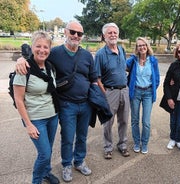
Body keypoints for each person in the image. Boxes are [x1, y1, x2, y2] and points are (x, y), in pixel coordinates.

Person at [16, 21, 97, 182]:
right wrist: (21, 59)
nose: (76, 36)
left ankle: (79, 161)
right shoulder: (55, 52)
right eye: (72, 32)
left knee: (82, 136)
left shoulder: (87, 55)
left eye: (79, 34)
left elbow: (93, 78)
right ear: (66, 32)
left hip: (84, 104)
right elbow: (37, 55)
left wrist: (96, 98)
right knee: (67, 137)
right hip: (66, 105)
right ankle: (66, 164)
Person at [13, 31, 60, 184]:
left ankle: (46, 173)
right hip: (35, 119)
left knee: (49, 150)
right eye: (38, 46)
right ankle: (37, 180)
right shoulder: (23, 69)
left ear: (50, 49)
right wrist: (28, 125)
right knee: (44, 154)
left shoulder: (49, 66)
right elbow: (19, 100)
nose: (42, 50)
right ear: (32, 47)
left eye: (45, 47)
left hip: (52, 115)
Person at [94, 22, 130, 159]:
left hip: (124, 91)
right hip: (110, 92)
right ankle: (108, 147)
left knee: (124, 121)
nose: (113, 35)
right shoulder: (100, 54)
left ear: (118, 34)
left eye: (115, 32)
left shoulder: (121, 50)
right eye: (110, 33)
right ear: (104, 36)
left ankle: (122, 145)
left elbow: (124, 68)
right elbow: (97, 78)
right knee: (108, 122)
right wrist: (104, 94)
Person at [126, 37, 160, 154]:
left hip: (148, 93)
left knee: (146, 121)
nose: (142, 47)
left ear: (147, 46)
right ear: (137, 48)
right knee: (135, 120)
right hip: (135, 92)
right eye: (139, 45)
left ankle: (144, 143)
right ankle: (136, 142)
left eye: (143, 45)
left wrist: (151, 89)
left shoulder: (153, 61)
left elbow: (157, 78)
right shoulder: (133, 60)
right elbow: (123, 66)